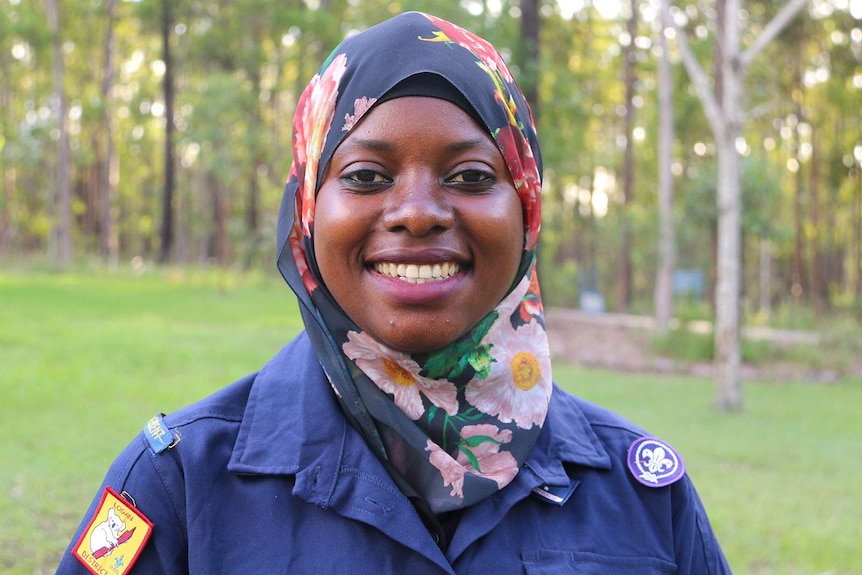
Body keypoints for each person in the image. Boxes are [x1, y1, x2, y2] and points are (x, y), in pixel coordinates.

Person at [57, 11, 731, 574]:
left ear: (526, 207)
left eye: (469, 176)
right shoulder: (179, 485)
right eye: (367, 175)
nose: (416, 211)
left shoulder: (642, 496)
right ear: (307, 213)